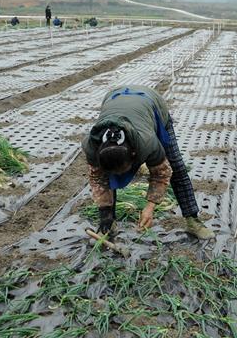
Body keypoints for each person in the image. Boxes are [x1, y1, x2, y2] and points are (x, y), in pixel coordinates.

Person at [83, 85, 214, 240]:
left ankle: (193, 221)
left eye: (124, 169)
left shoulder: (146, 142)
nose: (122, 174)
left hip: (152, 104)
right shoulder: (92, 146)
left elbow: (161, 174)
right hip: (115, 98)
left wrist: (150, 206)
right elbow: (99, 180)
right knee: (107, 180)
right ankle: (108, 225)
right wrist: (105, 215)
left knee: (177, 166)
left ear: (133, 154)